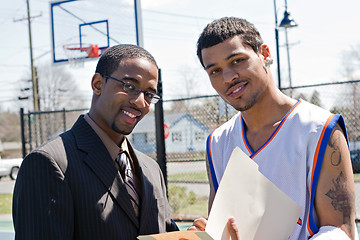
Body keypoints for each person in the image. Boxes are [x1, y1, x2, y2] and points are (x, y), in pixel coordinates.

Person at [191, 17, 357, 239]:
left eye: (237, 60)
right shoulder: (217, 142)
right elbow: (223, 226)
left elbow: (341, 230)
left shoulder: (320, 129)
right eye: (215, 71)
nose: (228, 77)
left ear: (265, 54)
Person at [12, 44, 179, 239]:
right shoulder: (49, 163)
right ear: (98, 84)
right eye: (129, 86)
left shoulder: (151, 169)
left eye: (149, 94)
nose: (140, 102)